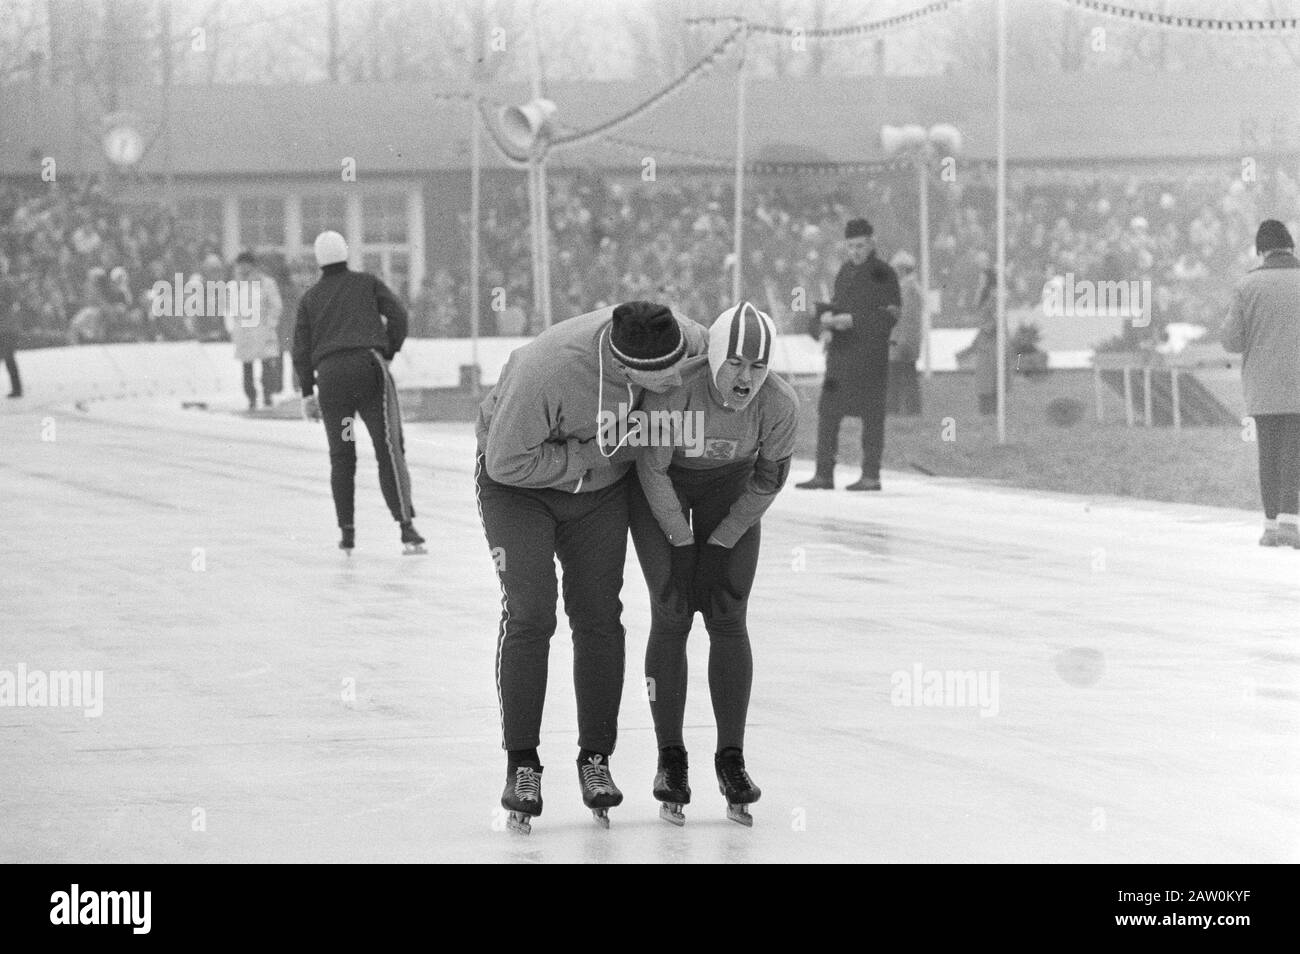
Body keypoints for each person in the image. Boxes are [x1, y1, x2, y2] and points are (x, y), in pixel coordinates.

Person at [475, 300, 707, 833]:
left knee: (600, 616)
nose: (677, 378)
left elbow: (724, 353)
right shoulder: (548, 368)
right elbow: (504, 461)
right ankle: (523, 765)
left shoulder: (678, 341)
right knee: (533, 615)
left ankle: (595, 758)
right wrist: (587, 457)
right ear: (628, 371)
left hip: (600, 494)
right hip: (519, 489)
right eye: (663, 377)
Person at [628, 301, 798, 827]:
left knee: (727, 615)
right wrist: (681, 544)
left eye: (757, 366)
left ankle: (732, 759)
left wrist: (723, 541)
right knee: (672, 612)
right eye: (737, 363)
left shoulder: (779, 404)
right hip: (666, 486)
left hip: (731, 490)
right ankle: (670, 760)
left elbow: (769, 479)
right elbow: (652, 472)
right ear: (718, 356)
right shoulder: (676, 389)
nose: (746, 378)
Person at [292, 230, 424, 555]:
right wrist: (388, 350)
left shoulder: (310, 299)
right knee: (387, 447)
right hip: (368, 371)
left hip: (333, 381)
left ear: (319, 260)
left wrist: (308, 391)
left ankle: (347, 533)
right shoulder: (366, 283)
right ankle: (406, 528)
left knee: (342, 453)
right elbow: (399, 316)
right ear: (346, 253)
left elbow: (301, 349)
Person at [796, 218, 900, 491]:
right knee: (828, 413)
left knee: (872, 417)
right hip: (840, 356)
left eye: (861, 246)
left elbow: (890, 316)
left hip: (870, 359)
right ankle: (823, 473)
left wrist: (853, 320)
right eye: (851, 246)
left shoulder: (885, 273)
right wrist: (826, 315)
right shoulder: (845, 271)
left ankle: (870, 475)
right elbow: (841, 303)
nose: (856, 252)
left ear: (872, 243)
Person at [1222, 219, 1300, 549]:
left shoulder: (1247, 286)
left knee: (1268, 455)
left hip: (1262, 389)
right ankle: (1291, 524)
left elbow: (1231, 341)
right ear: (1291, 247)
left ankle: (1271, 527)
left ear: (1262, 251)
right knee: (1294, 455)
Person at [226, 251, 283, 411]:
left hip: (263, 330)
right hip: (244, 332)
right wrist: (234, 327)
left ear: (253, 265)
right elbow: (231, 308)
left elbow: (275, 305)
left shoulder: (266, 283)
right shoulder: (234, 285)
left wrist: (270, 324)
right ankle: (251, 398)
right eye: (240, 264)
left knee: (267, 366)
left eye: (246, 264)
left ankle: (267, 396)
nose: (243, 268)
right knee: (247, 367)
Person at [886, 250, 923, 416]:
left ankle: (898, 410)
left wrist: (902, 341)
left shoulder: (908, 289)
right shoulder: (909, 287)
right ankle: (907, 410)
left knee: (899, 377)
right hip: (903, 339)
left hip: (901, 340)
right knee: (906, 376)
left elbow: (906, 317)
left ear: (901, 269)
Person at [970, 267, 1010, 416]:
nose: (979, 282)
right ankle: (987, 414)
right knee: (986, 383)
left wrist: (986, 327)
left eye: (982, 279)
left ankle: (991, 414)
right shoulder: (985, 297)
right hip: (985, 344)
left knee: (990, 383)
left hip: (992, 345)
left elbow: (995, 321)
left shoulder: (994, 299)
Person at [0, 273, 22, 398]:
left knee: (9, 358)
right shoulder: (7, 282)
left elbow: (8, 302)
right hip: (7, 327)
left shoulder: (5, 283)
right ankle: (17, 389)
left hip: (7, 328)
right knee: (9, 359)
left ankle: (17, 389)